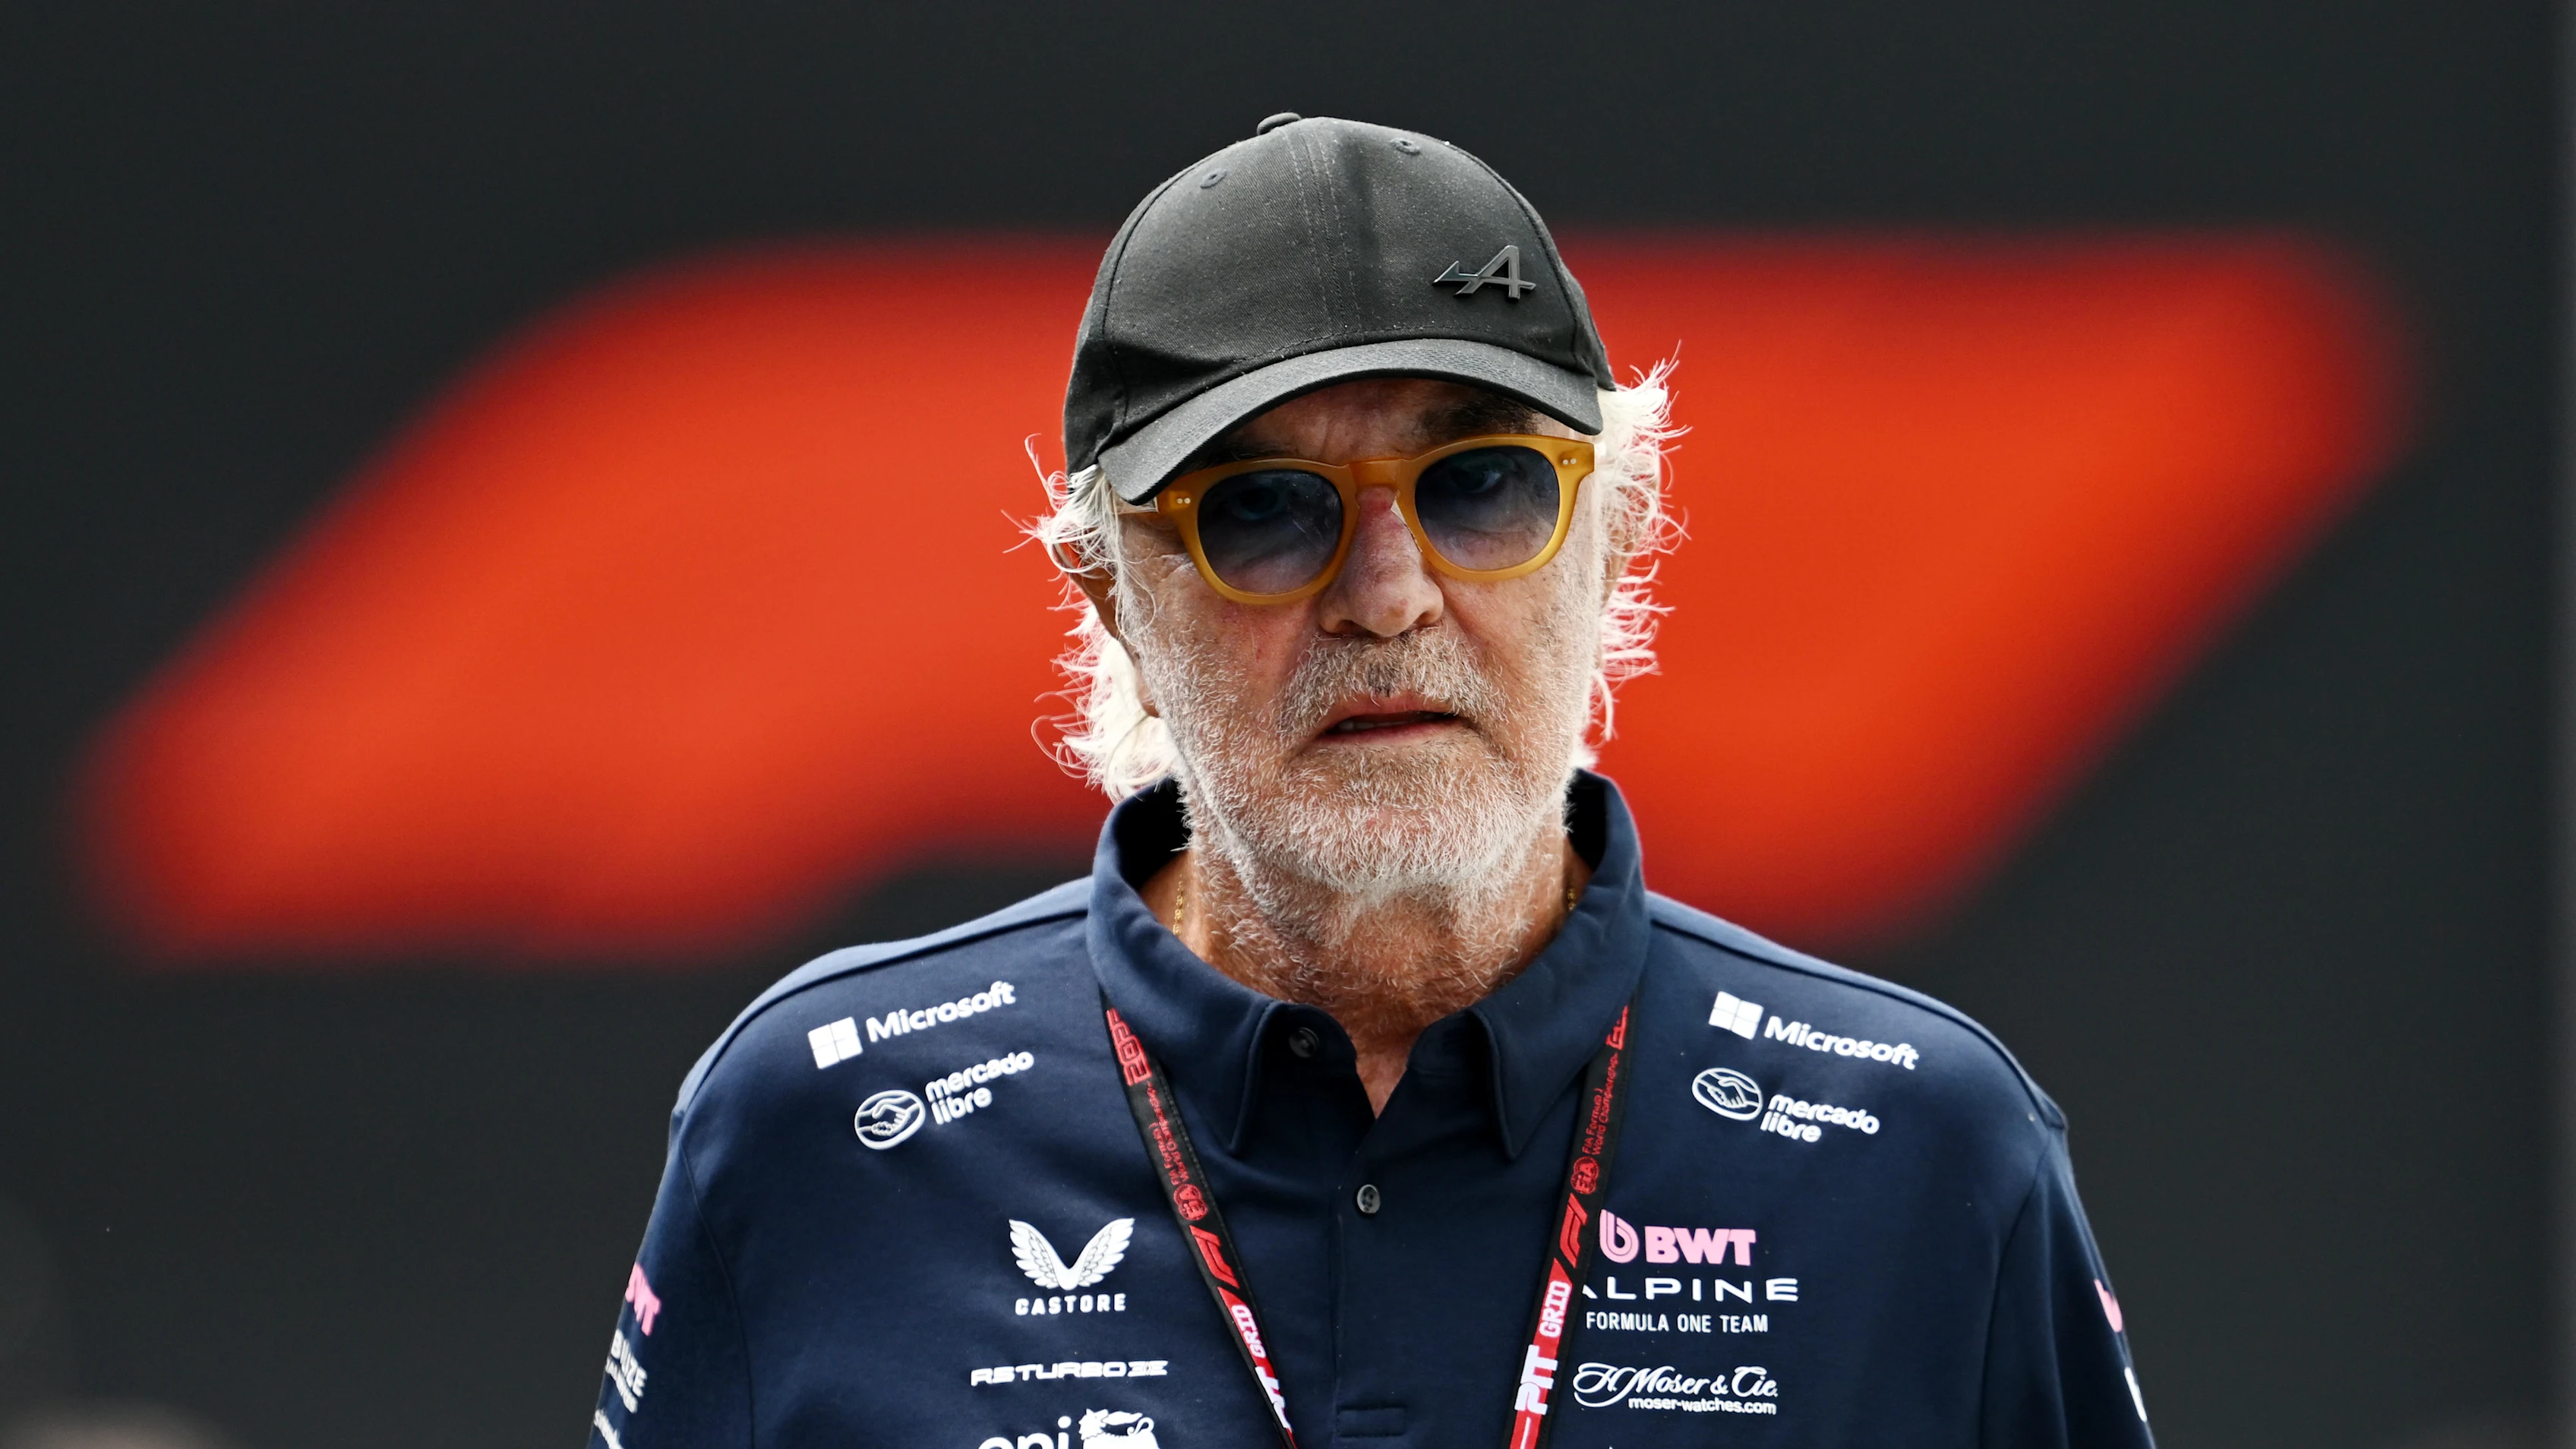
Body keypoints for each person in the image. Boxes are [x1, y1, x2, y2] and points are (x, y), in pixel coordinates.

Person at [587, 114, 2154, 1449]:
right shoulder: (825, 1123)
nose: (1387, 593)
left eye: (1479, 487)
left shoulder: (1927, 1151)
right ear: (1112, 599)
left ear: (1616, 537)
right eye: (1266, 510)